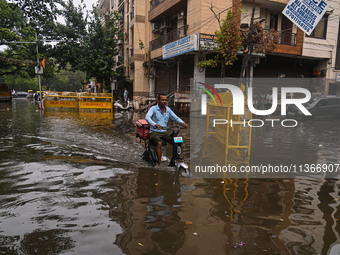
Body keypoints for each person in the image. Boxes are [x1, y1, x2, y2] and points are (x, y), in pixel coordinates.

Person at [145, 94, 189, 165]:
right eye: (162, 100)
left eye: (165, 100)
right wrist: (155, 124)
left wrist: (183, 123)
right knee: (159, 143)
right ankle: (159, 164)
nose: (164, 101)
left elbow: (175, 118)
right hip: (154, 132)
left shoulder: (168, 110)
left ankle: (173, 161)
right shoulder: (153, 108)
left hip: (164, 132)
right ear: (158, 100)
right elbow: (147, 117)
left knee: (178, 141)